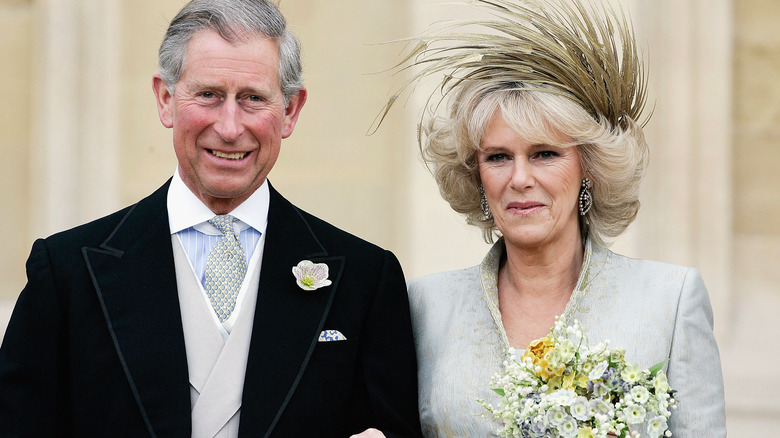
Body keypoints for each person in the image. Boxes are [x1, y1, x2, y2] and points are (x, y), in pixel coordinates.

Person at [0, 1, 422, 437]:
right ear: (165, 99)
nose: (229, 127)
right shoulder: (67, 272)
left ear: (291, 111)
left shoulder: (365, 280)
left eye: (253, 98)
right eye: (209, 95)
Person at [385, 0, 727, 436]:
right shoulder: (425, 306)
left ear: (589, 168)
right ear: (477, 175)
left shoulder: (669, 299)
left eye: (545, 154)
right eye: (498, 157)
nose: (520, 178)